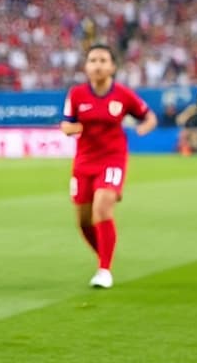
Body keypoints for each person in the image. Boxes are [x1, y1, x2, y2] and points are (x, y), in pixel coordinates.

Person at [61, 43, 157, 289]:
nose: (98, 65)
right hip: (83, 162)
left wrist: (143, 128)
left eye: (103, 60)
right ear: (86, 66)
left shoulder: (123, 95)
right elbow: (66, 125)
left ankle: (104, 269)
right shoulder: (77, 94)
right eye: (93, 60)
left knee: (102, 209)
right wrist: (75, 128)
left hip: (112, 159)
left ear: (113, 66)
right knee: (83, 221)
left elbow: (148, 115)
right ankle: (103, 256)